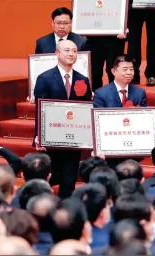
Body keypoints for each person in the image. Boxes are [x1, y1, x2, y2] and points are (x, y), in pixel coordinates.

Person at [33, 39, 92, 199]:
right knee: (50, 177)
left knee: (69, 180)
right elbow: (40, 108)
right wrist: (39, 135)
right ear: (57, 53)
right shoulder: (44, 78)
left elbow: (86, 110)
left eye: (74, 51)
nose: (71, 54)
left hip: (74, 139)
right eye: (67, 50)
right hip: (51, 137)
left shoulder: (83, 79)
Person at [82, 0, 132, 90]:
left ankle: (113, 97)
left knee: (113, 69)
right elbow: (85, 4)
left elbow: (129, 7)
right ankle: (96, 97)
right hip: (94, 35)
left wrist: (124, 27)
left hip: (114, 35)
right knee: (95, 70)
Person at [93, 55, 147, 167]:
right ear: (113, 71)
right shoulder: (101, 93)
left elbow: (144, 120)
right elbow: (99, 123)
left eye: (131, 69)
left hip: (133, 147)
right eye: (125, 69)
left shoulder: (139, 93)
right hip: (111, 148)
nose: (129, 73)